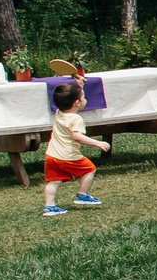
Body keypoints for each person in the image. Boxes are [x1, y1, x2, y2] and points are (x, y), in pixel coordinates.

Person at [40, 79, 110, 215]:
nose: (85, 99)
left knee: (53, 181)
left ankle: (49, 206)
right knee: (90, 169)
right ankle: (82, 194)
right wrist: (97, 143)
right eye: (83, 97)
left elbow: (71, 96)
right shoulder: (76, 119)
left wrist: (80, 86)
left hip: (52, 155)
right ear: (77, 103)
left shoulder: (59, 113)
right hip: (68, 155)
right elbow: (77, 136)